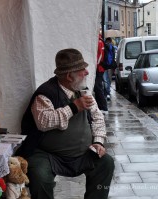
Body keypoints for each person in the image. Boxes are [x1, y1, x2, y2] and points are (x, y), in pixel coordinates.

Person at [16, 48, 114, 199]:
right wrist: (74, 107)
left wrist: (98, 142)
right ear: (69, 76)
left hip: (82, 154)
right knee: (39, 175)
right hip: (48, 155)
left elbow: (97, 118)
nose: (87, 73)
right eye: (82, 70)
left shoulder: (83, 91)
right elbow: (44, 122)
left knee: (106, 163)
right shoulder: (45, 93)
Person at [94, 34, 108, 112]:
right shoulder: (101, 41)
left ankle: (103, 106)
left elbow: (99, 56)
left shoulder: (99, 42)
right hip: (100, 68)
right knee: (98, 87)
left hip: (99, 68)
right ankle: (101, 106)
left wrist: (95, 65)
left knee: (98, 87)